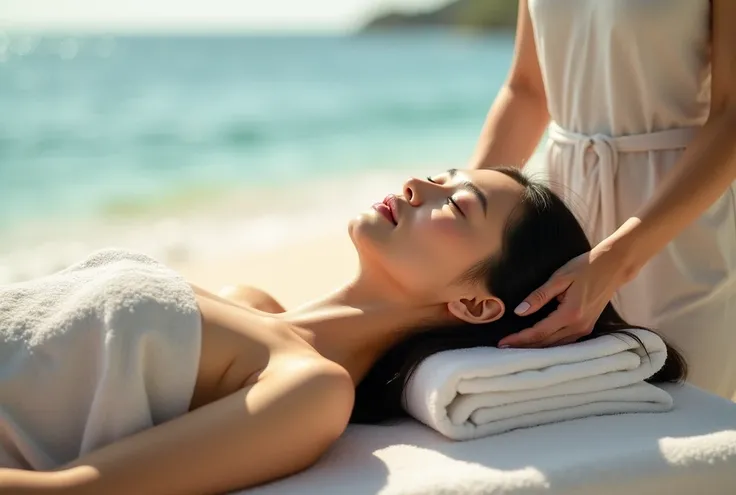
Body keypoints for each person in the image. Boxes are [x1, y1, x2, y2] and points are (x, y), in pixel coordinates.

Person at [0, 167, 686, 494]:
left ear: (476, 305)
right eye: (446, 175)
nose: (423, 184)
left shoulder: (311, 391)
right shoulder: (251, 302)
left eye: (460, 202)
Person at [469, 0, 736, 399]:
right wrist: (466, 217)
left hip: (677, 223)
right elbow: (526, 90)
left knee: (690, 416)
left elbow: (732, 113)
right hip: (564, 213)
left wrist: (616, 260)